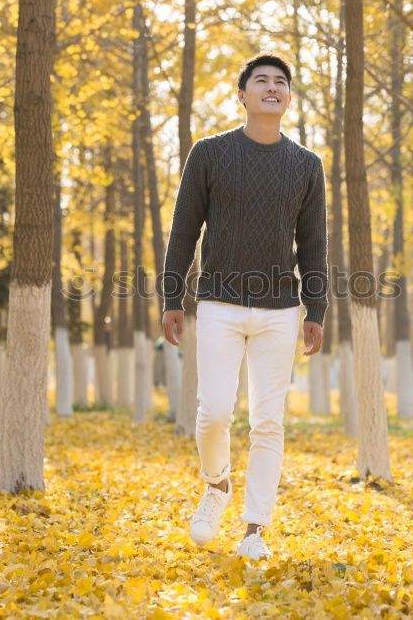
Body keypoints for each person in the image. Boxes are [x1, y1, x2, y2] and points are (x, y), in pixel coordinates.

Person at [160, 52, 329, 559]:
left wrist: (315, 309)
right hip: (218, 304)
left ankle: (255, 528)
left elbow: (314, 243)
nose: (272, 88)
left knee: (268, 422)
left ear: (289, 98)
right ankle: (216, 484)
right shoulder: (209, 154)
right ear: (243, 95)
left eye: (281, 82)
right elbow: (184, 230)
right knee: (213, 414)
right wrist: (172, 297)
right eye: (261, 81)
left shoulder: (306, 165)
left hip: (280, 310)